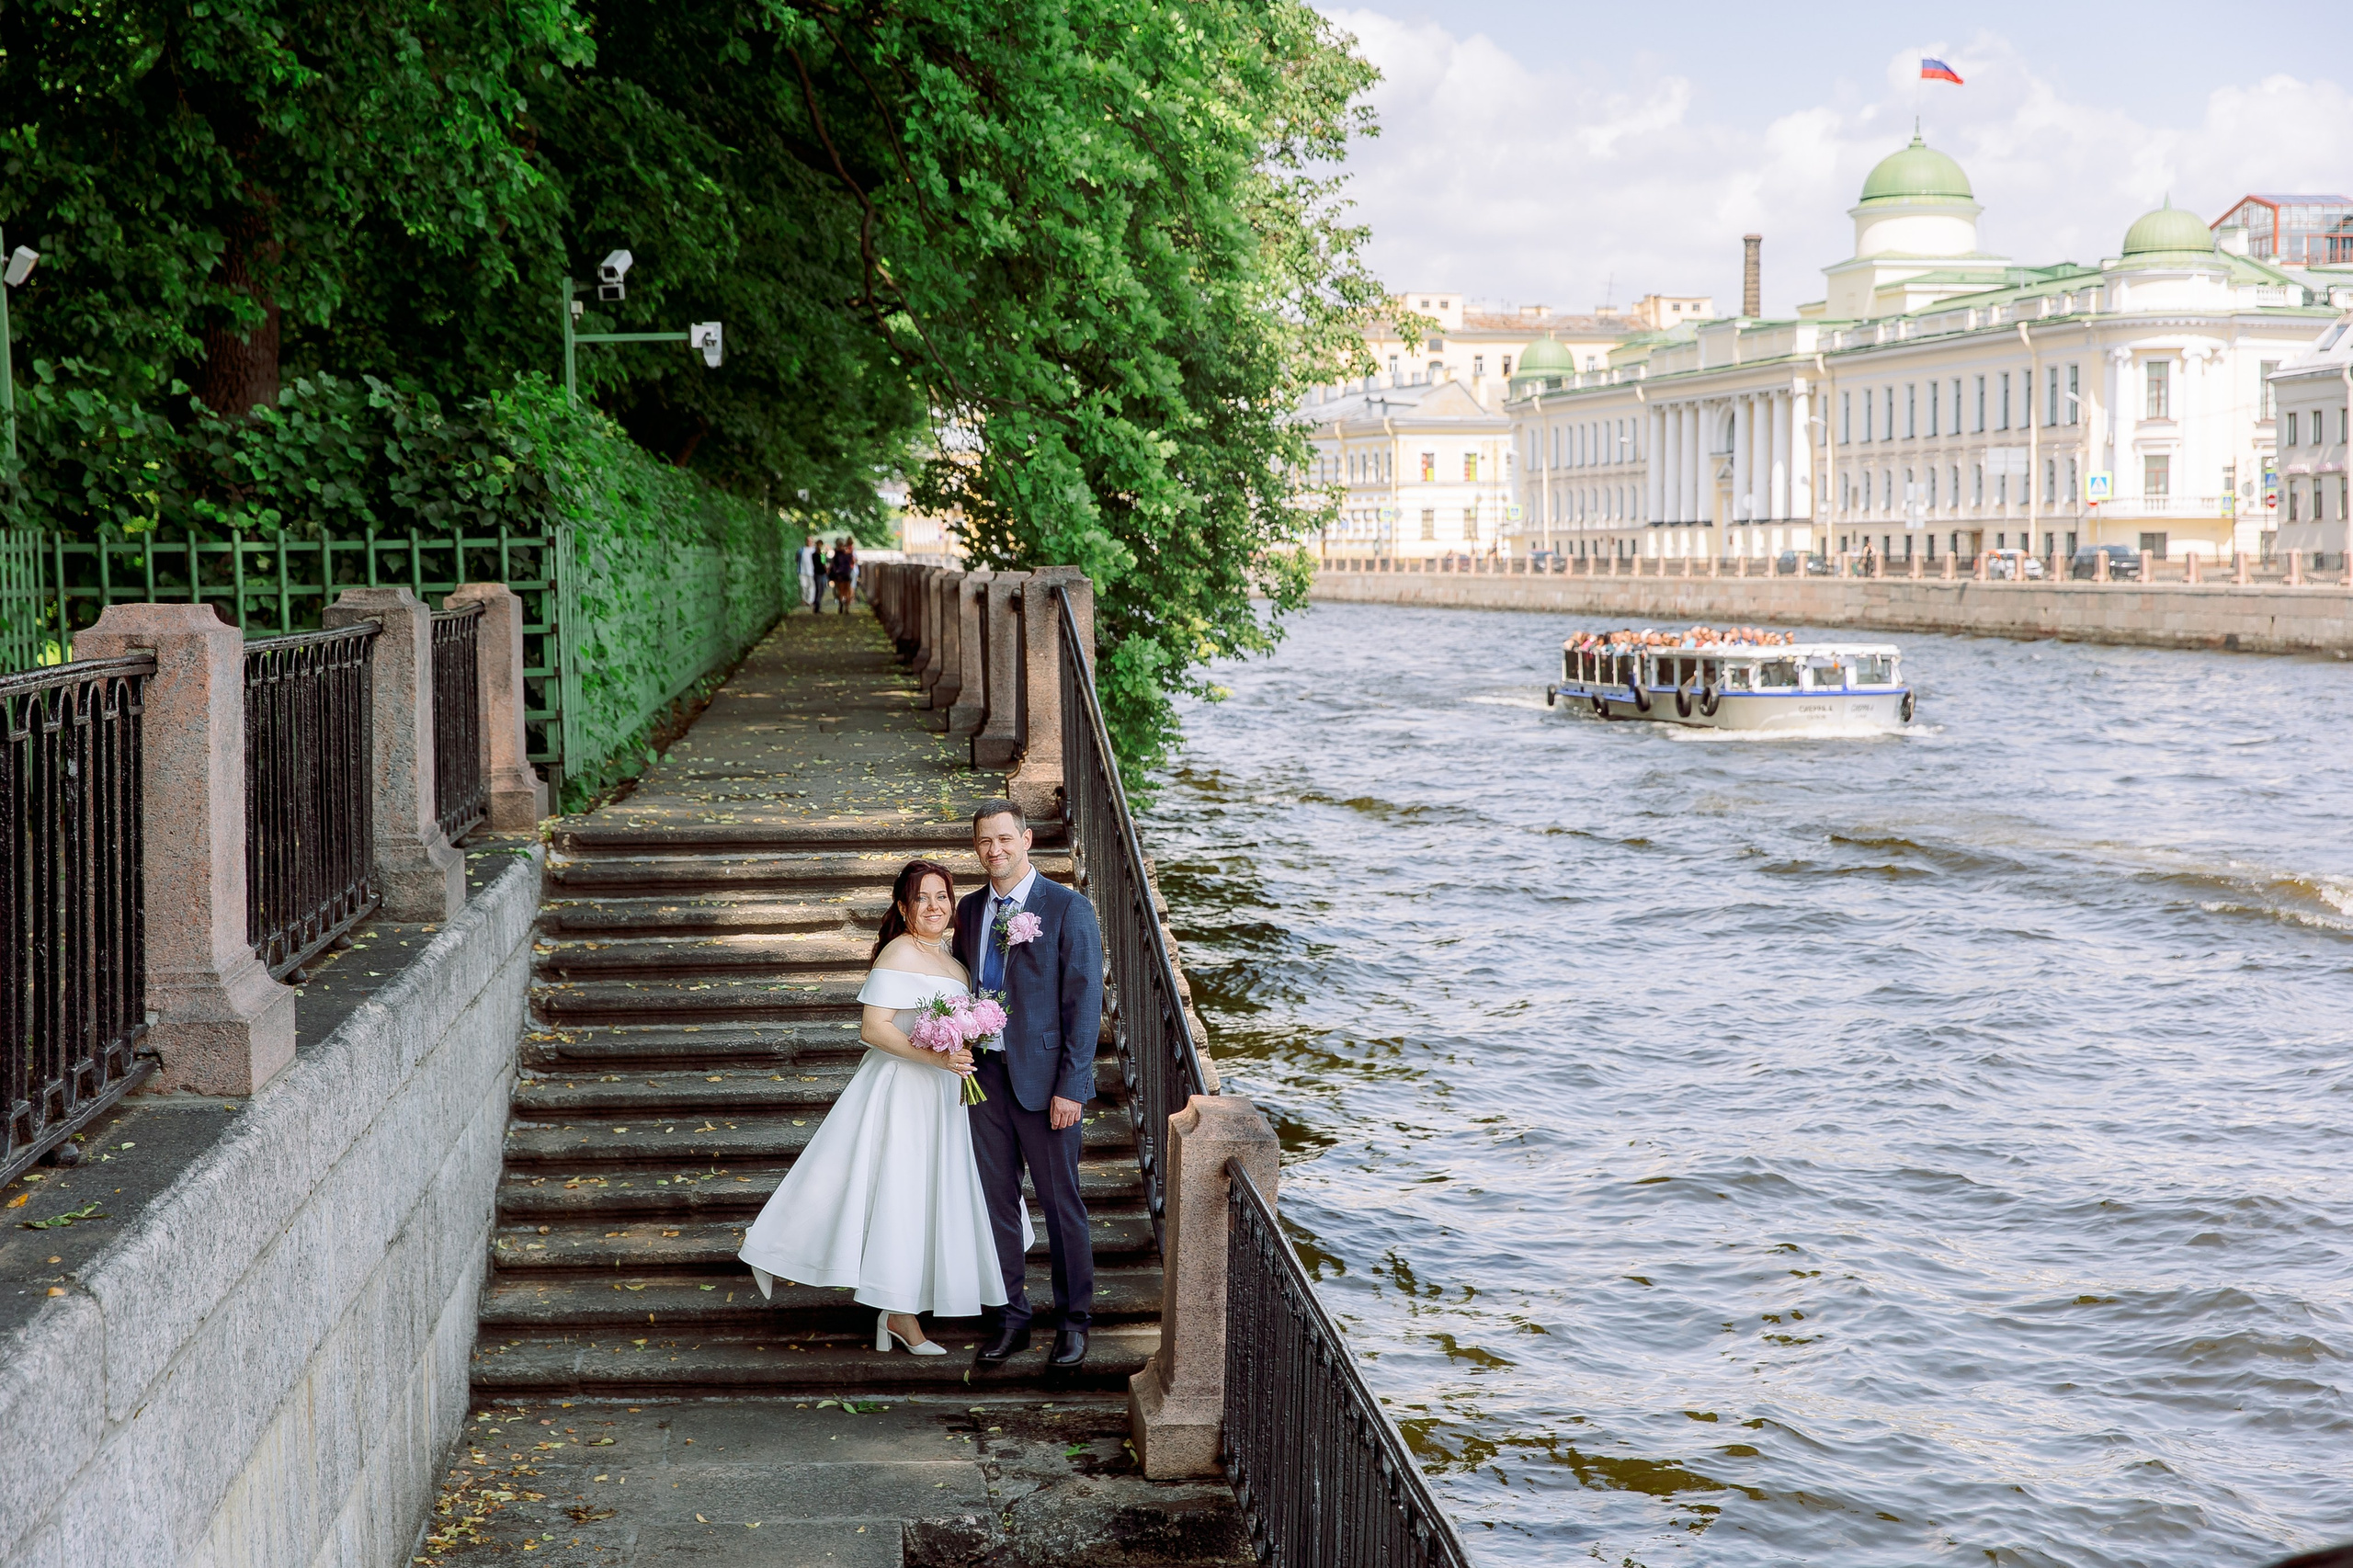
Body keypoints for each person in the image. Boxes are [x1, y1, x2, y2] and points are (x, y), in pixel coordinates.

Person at [737, 859, 1023, 1352]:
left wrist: (963, 1045)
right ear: (902, 906)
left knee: (931, 1195)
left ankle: (903, 1308)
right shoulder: (898, 952)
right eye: (921, 898)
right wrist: (935, 1056)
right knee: (901, 1195)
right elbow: (874, 1028)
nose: (934, 906)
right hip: (905, 1090)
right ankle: (899, 1315)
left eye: (941, 896)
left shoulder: (954, 961)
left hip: (945, 1095)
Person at [959, 799, 1104, 1370]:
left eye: (1003, 839)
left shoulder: (1067, 908)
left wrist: (1073, 1085)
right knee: (996, 1203)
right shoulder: (969, 911)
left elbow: (1084, 1003)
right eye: (983, 843)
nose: (994, 850)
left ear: (1027, 838)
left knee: (1061, 1203)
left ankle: (1073, 1323)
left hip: (1046, 1086)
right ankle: (1012, 1318)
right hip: (984, 1079)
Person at [827, 540, 858, 613]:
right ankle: (847, 608)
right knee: (847, 591)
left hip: (839, 575)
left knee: (840, 591)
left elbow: (833, 564)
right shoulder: (848, 553)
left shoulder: (836, 553)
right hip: (847, 574)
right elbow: (854, 561)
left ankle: (841, 605)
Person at [798, 535, 821, 613]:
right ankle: (804, 599)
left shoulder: (815, 550)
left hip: (812, 571)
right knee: (803, 585)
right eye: (808, 540)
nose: (809, 542)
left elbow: (822, 558)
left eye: (810, 541)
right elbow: (797, 559)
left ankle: (809, 601)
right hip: (802, 571)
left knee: (811, 586)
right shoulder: (801, 550)